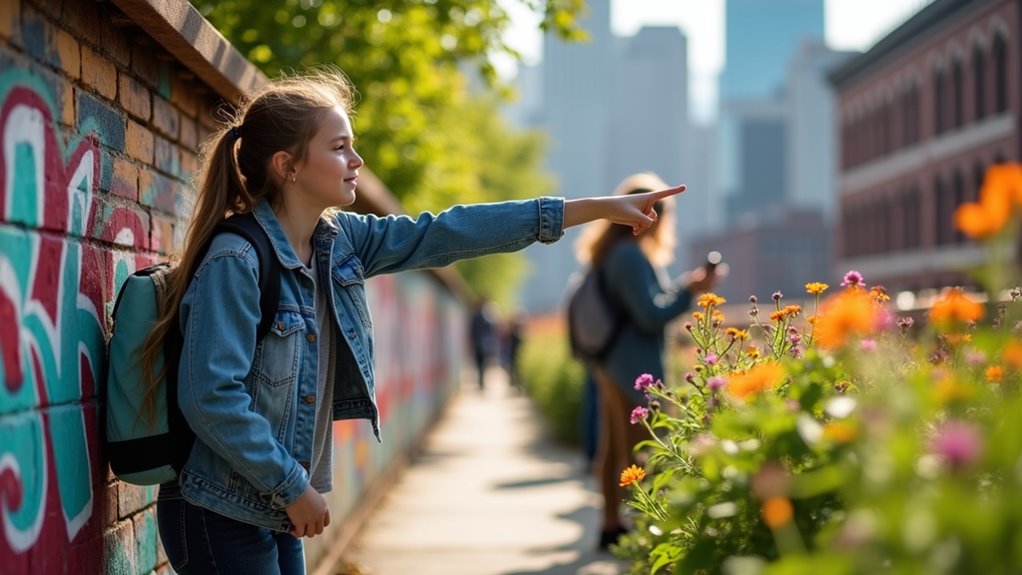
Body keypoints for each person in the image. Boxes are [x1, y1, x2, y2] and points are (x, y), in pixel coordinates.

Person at [136, 69, 689, 574]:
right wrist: (291, 485)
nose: (357, 161)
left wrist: (594, 208)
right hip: (218, 506)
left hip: (273, 502)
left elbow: (451, 232)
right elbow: (211, 395)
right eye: (339, 148)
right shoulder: (236, 260)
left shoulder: (340, 242)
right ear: (288, 166)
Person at [573, 172, 717, 551]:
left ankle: (610, 525)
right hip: (631, 363)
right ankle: (649, 535)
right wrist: (691, 291)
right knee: (645, 449)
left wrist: (683, 287)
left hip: (608, 360)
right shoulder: (629, 256)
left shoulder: (609, 254)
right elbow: (650, 314)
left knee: (612, 446)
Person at [469, 299, 499, 390]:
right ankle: (482, 382)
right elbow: (492, 331)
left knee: (480, 364)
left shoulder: (475, 317)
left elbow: (472, 332)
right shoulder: (487, 317)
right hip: (485, 345)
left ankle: (481, 382)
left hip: (479, 345)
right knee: (485, 364)